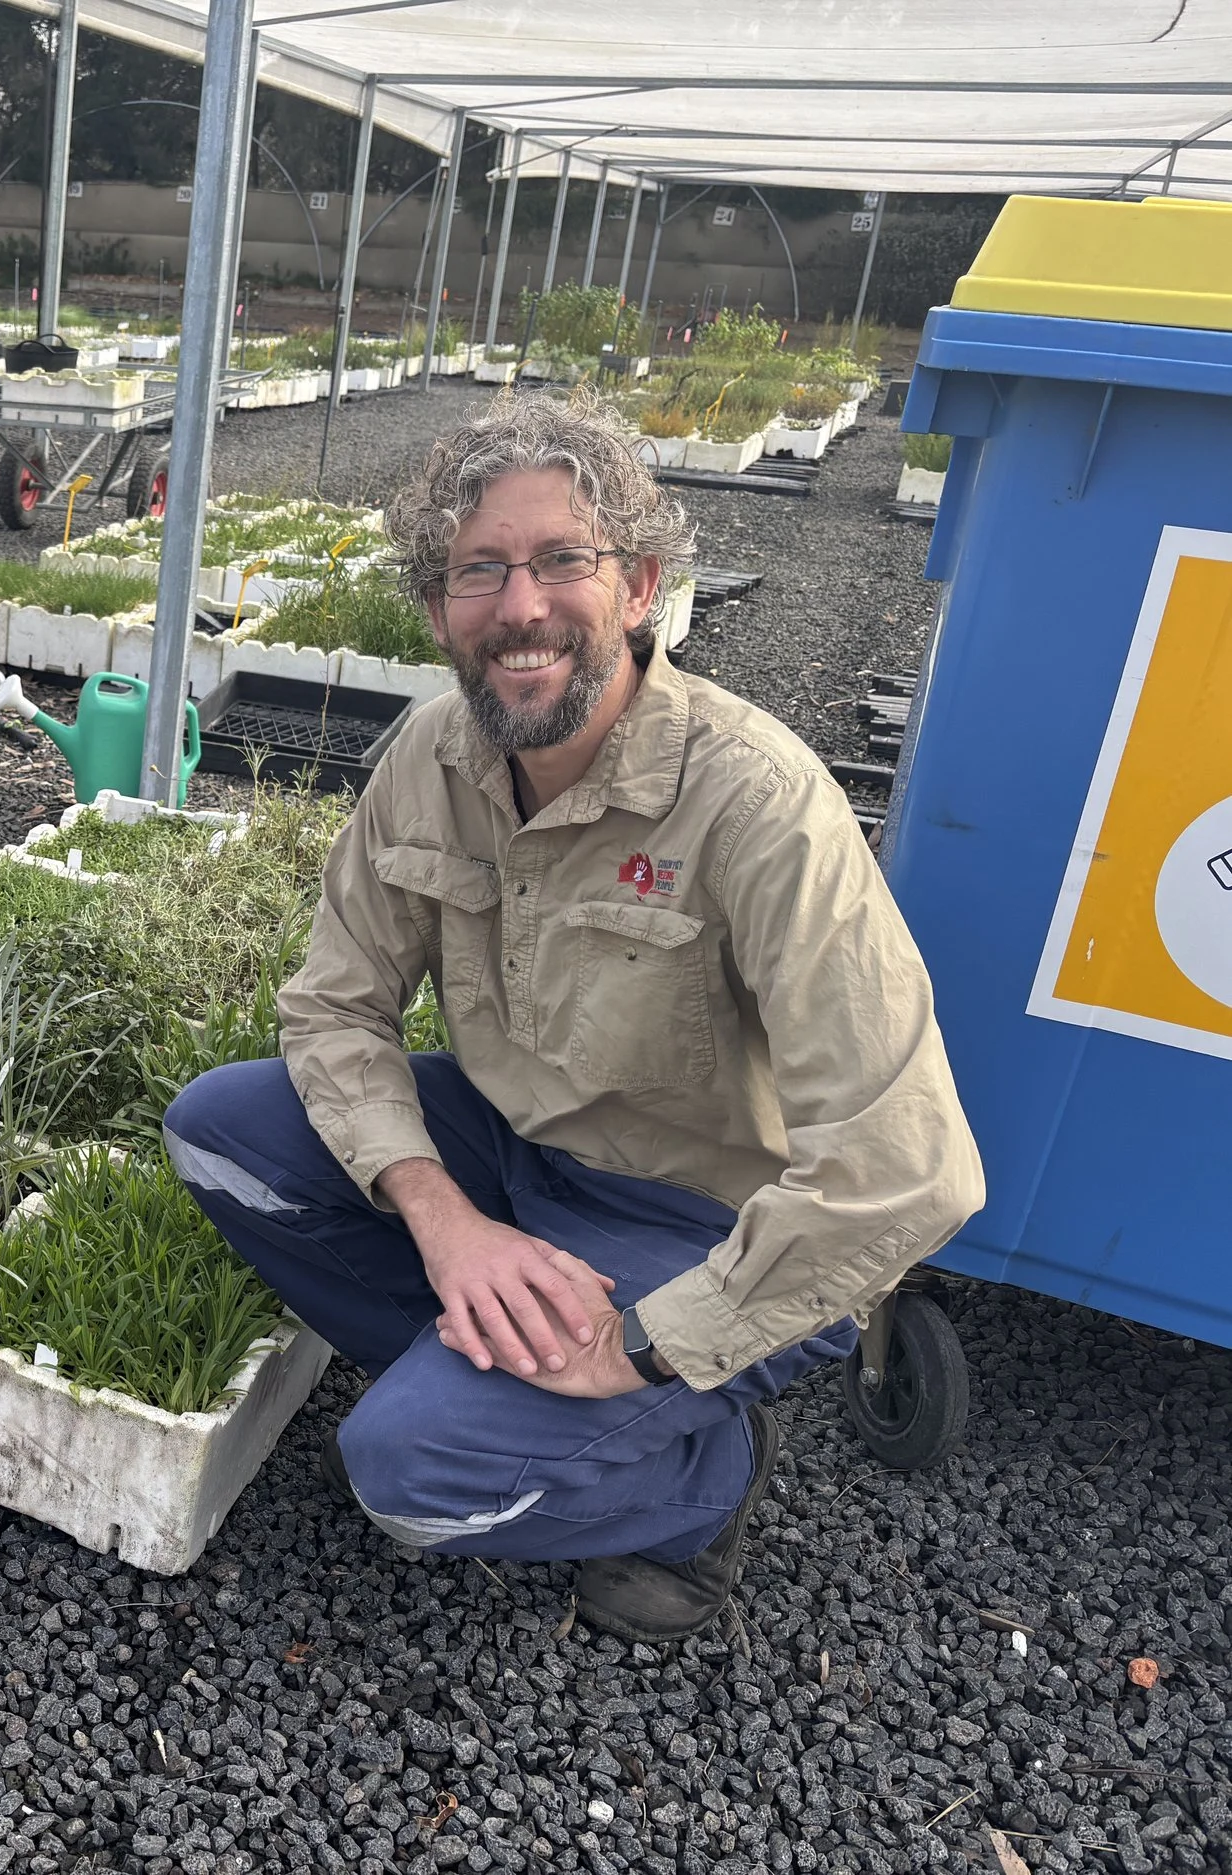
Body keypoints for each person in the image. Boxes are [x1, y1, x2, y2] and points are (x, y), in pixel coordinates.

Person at [164, 392, 984, 1642]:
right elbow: (334, 1005)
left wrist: (643, 1351)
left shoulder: (754, 801)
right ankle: (489, 1365)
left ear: (641, 585)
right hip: (509, 1157)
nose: (521, 605)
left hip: (698, 1217)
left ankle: (699, 1482)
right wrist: (445, 1228)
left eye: (562, 560)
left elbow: (908, 1170)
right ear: (437, 609)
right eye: (477, 569)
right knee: (220, 1129)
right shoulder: (430, 757)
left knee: (411, 1484)